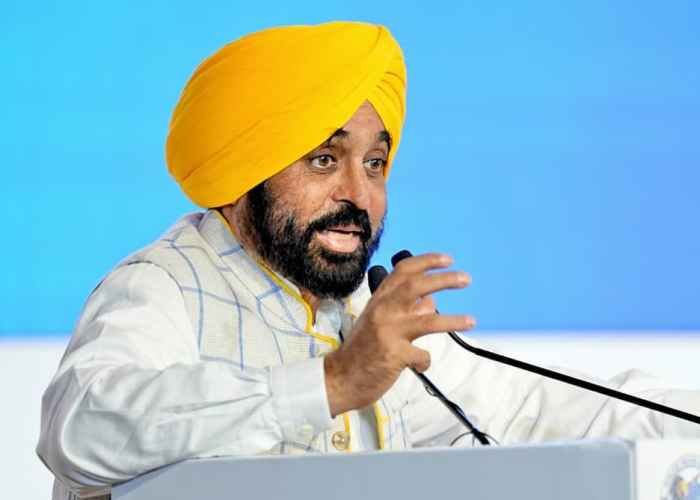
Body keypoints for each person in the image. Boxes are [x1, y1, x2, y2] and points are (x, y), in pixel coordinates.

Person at [37, 21, 700, 500]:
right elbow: (80, 429)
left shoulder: (359, 315)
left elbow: (537, 410)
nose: (359, 194)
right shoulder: (165, 285)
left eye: (376, 163)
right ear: (243, 174)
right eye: (324, 159)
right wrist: (331, 383)